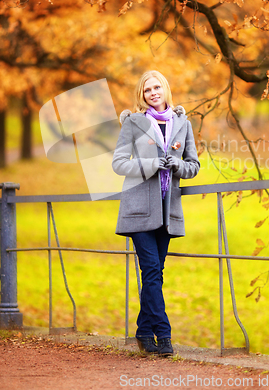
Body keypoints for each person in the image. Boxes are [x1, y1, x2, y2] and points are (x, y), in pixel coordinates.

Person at [112, 70, 200, 356]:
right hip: (138, 210)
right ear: (142, 95)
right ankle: (163, 335)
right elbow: (119, 163)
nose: (153, 93)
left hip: (168, 210)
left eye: (157, 87)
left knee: (155, 274)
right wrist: (151, 165)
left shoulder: (183, 123)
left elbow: (193, 166)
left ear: (165, 90)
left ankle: (141, 332)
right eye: (147, 89)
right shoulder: (133, 123)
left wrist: (175, 166)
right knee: (151, 271)